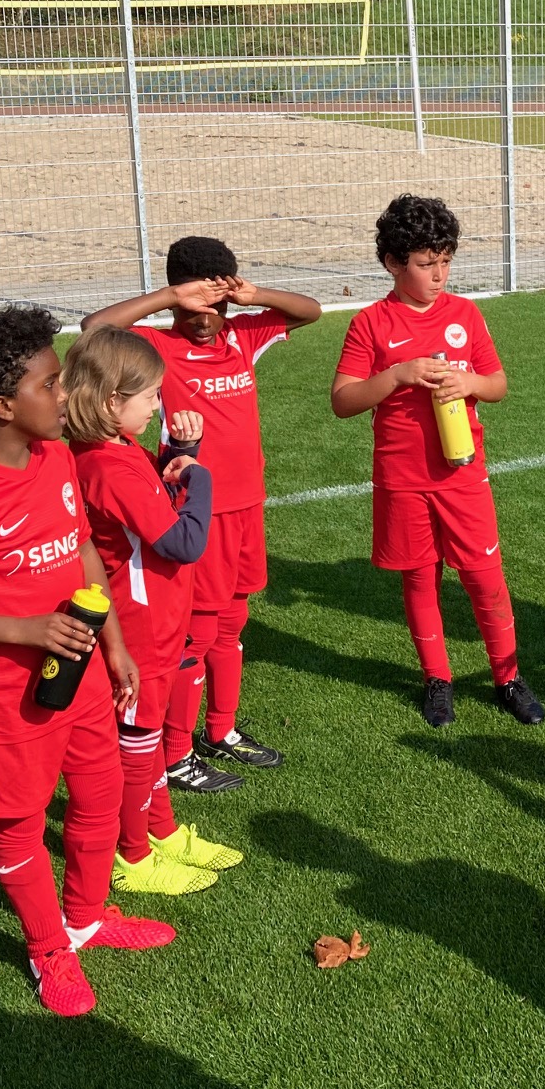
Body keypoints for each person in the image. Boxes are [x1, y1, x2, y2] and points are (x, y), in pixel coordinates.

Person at [0, 306, 175, 1018]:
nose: (65, 395)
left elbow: (81, 549)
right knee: (22, 822)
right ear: (4, 406)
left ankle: (86, 917)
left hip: (83, 676)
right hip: (7, 698)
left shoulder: (56, 457)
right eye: (51, 384)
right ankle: (48, 948)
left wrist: (114, 643)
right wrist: (27, 630)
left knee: (99, 795)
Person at [81, 237, 324, 790]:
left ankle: (222, 728)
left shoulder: (242, 335)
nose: (206, 318)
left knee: (234, 622)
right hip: (197, 512)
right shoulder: (156, 346)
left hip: (248, 506)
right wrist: (172, 296)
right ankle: (176, 752)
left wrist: (252, 295)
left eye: (217, 306)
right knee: (198, 633)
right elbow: (94, 329)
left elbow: (310, 311)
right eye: (195, 307)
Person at [331, 193, 544, 729]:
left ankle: (508, 677)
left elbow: (498, 384)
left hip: (462, 473)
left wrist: (470, 383)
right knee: (421, 579)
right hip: (402, 479)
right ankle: (437, 679)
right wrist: (397, 376)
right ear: (392, 263)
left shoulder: (465, 315)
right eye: (427, 264)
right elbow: (343, 400)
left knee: (485, 579)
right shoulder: (370, 323)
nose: (440, 274)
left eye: (446, 261)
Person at [64, 326, 244, 895]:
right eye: (149, 397)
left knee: (150, 735)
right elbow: (182, 541)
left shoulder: (116, 450)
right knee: (138, 741)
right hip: (140, 627)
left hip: (158, 621)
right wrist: (200, 476)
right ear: (110, 401)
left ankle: (159, 830)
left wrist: (178, 457)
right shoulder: (106, 465)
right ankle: (133, 855)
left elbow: (154, 503)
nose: (157, 406)